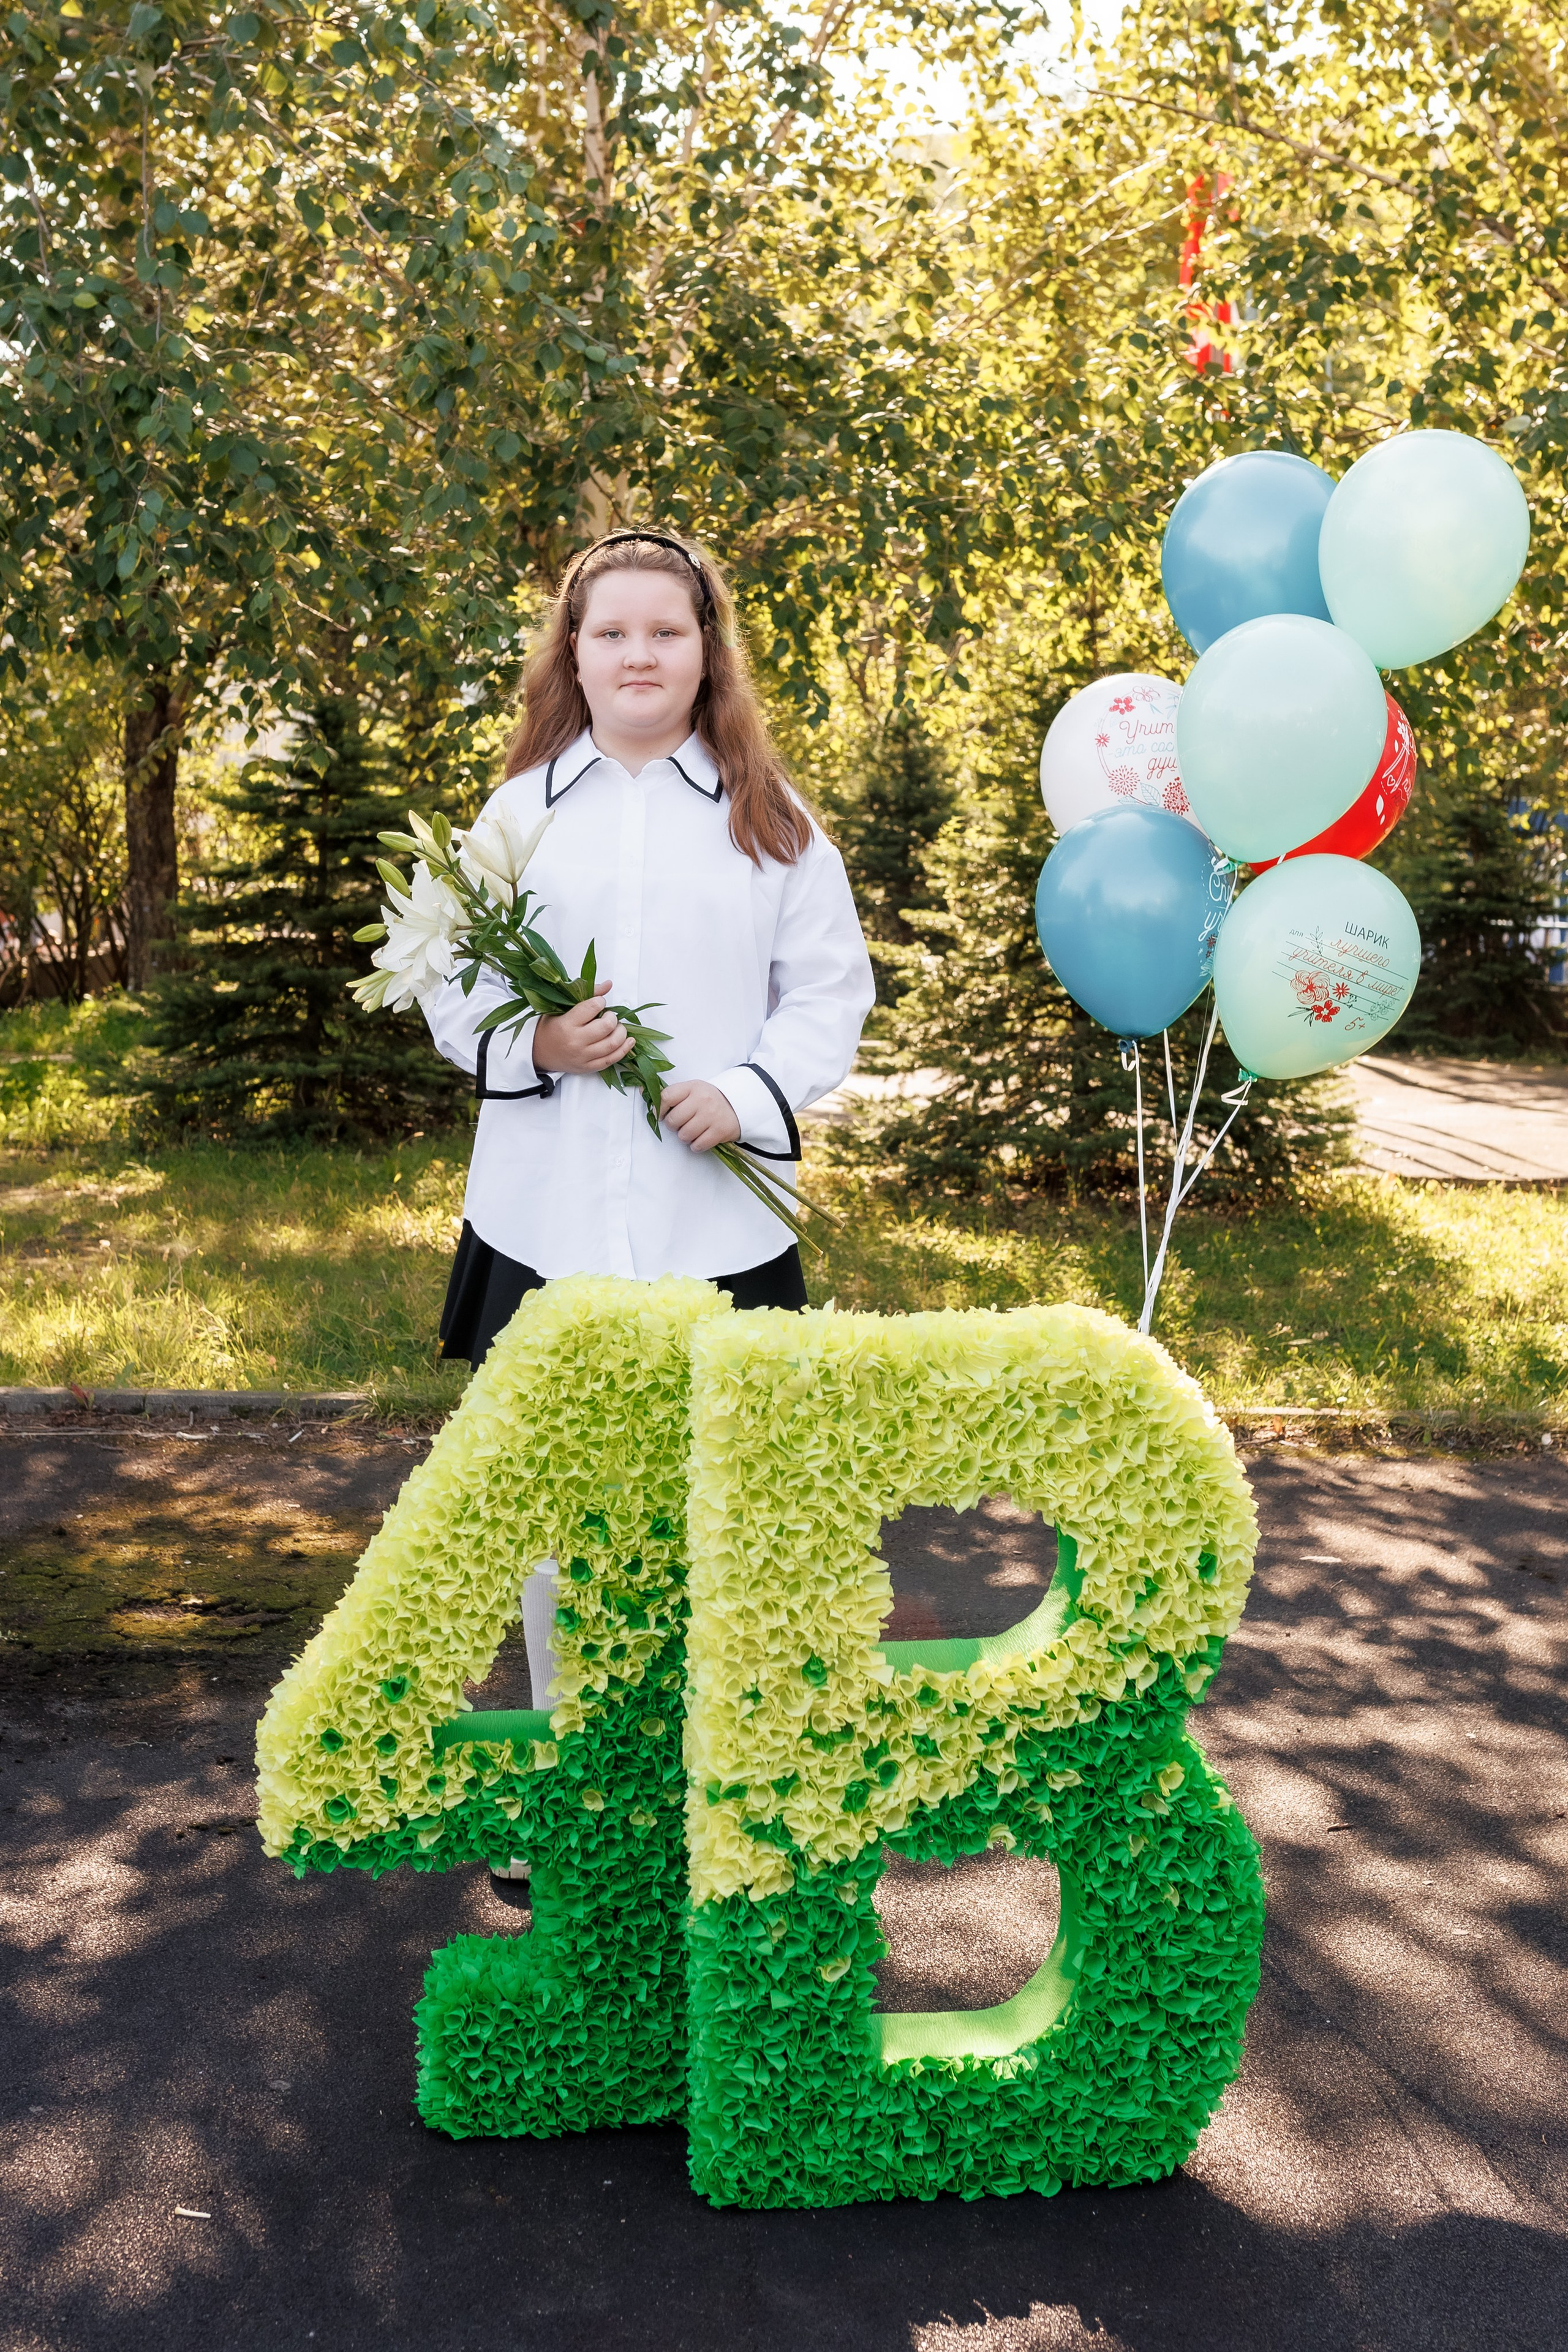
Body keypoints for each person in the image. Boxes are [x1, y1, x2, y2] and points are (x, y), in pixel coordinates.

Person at [418, 527, 874, 1780]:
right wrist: (538, 1043)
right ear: (572, 651)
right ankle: (577, 1787)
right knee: (550, 1518)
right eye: (612, 631)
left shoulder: (771, 820)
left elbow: (829, 990)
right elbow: (450, 988)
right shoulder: (515, 815)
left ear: (705, 652)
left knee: (723, 1510)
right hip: (544, 1220)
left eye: (665, 632)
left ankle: (709, 1781)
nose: (639, 654)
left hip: (715, 1224)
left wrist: (747, 1093)